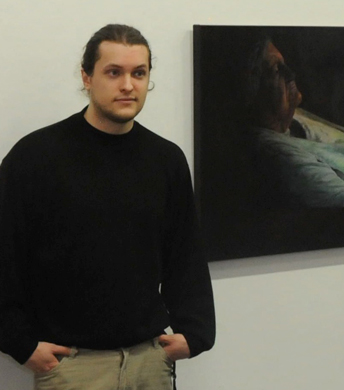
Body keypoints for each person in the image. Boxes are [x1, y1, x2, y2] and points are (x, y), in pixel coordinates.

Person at [0, 24, 215, 390]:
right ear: (87, 76)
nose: (128, 85)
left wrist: (195, 332)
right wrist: (20, 343)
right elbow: (3, 254)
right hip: (71, 365)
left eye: (139, 73)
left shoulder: (166, 160)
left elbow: (185, 255)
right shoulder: (35, 157)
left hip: (150, 361)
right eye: (114, 72)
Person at [240, 36, 344, 207]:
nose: (290, 74)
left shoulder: (292, 116)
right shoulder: (280, 157)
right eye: (276, 70)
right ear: (253, 91)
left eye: (284, 64)